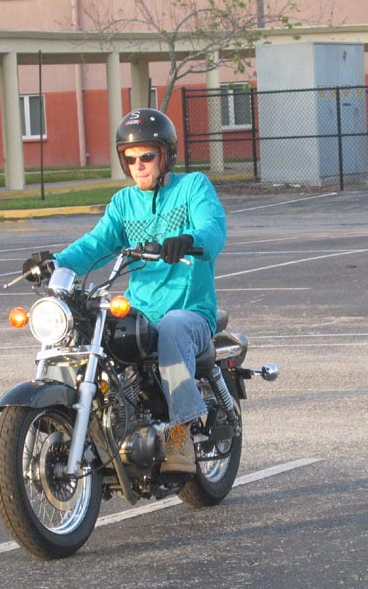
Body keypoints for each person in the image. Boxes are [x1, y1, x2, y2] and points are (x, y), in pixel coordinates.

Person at [23, 108, 227, 473]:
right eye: (130, 159)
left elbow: (213, 228)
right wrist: (56, 262)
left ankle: (180, 437)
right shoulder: (123, 203)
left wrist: (189, 239)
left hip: (190, 311)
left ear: (165, 155)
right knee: (86, 329)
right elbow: (96, 242)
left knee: (173, 327)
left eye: (146, 156)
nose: (139, 165)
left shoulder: (193, 187)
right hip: (139, 308)